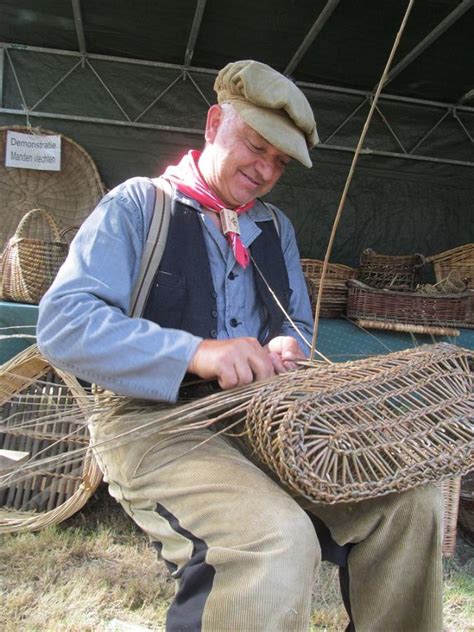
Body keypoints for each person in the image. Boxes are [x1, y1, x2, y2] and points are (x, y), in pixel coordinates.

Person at [37, 60, 443, 632]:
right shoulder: (138, 207)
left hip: (261, 420)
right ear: (212, 124)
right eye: (257, 145)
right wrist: (199, 352)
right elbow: (62, 324)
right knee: (274, 539)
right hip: (153, 424)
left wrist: (285, 345)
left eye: (280, 161)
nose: (265, 169)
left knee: (411, 502)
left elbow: (296, 323)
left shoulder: (274, 228)